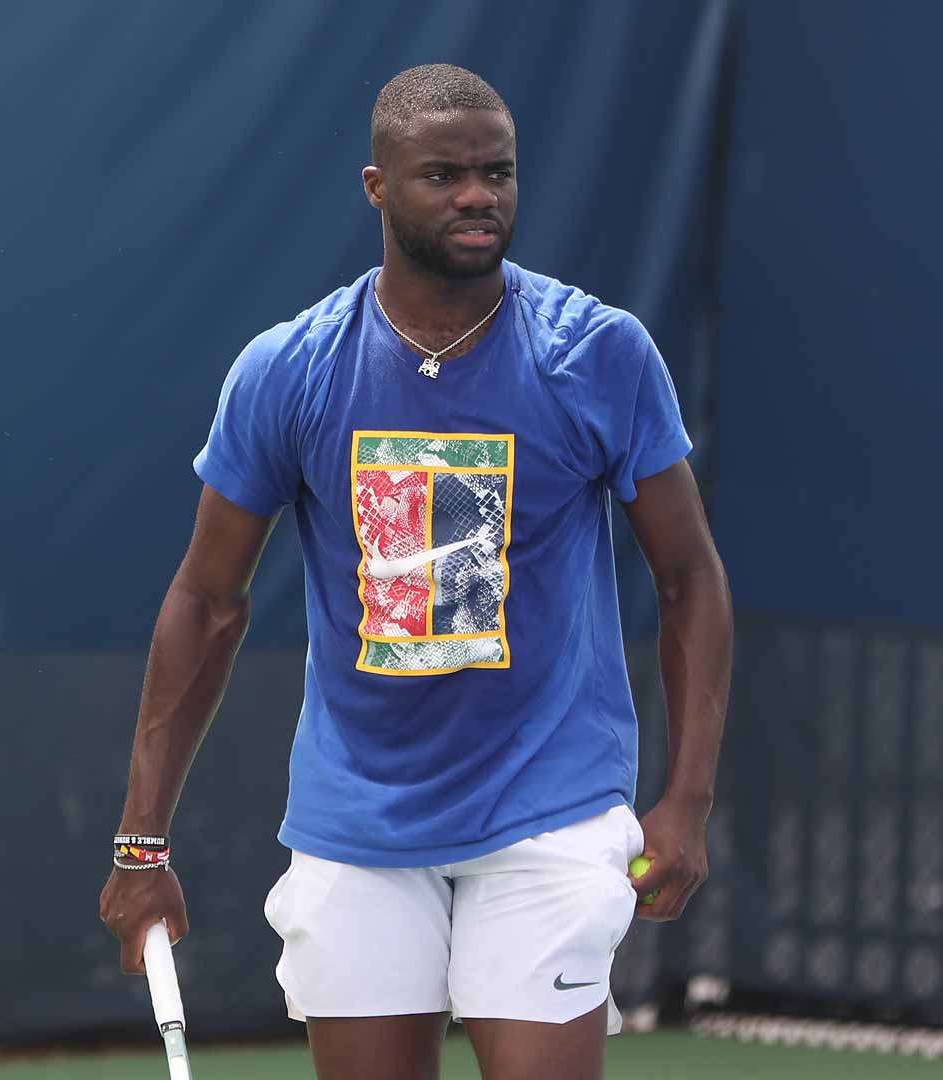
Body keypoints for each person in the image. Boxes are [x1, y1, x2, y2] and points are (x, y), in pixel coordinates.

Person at [98, 64, 731, 1080]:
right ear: (377, 187)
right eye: (444, 174)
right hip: (358, 818)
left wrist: (687, 802)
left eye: (498, 172)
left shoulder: (598, 353)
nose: (479, 195)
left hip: (550, 806)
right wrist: (142, 847)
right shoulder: (291, 368)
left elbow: (690, 577)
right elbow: (207, 604)